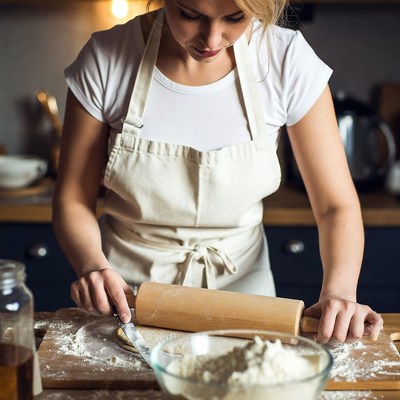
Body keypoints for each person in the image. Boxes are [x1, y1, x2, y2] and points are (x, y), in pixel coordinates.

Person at [53, 0, 383, 344]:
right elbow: (73, 198)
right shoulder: (106, 57)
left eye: (235, 17)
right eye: (190, 15)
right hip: (128, 302)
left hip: (247, 304)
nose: (211, 38)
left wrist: (340, 292)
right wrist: (92, 265)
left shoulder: (285, 59)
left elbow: (335, 205)